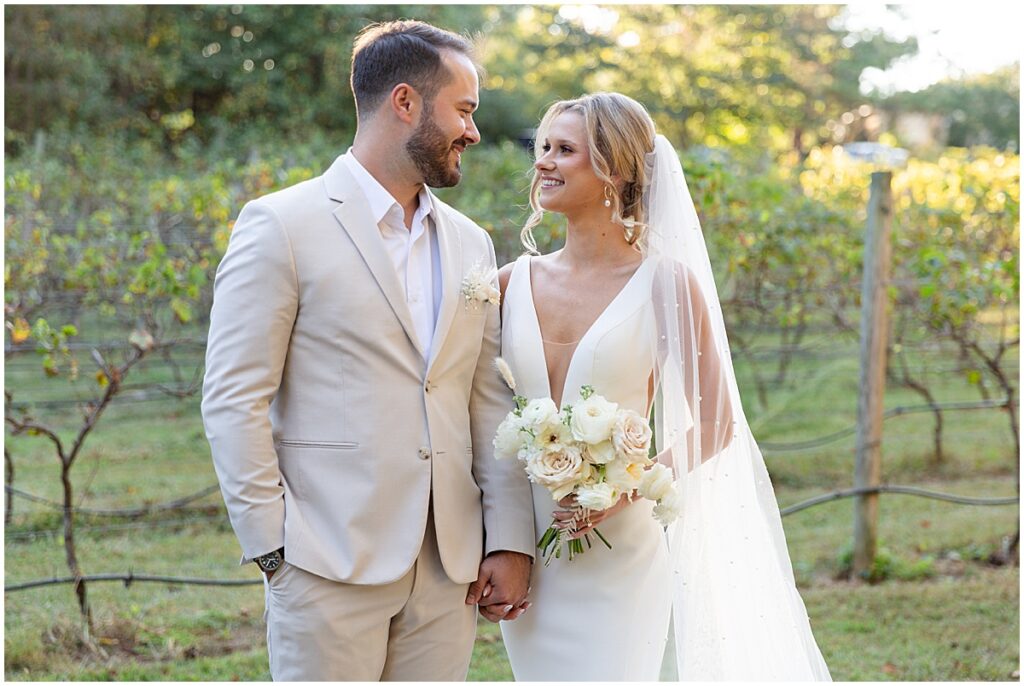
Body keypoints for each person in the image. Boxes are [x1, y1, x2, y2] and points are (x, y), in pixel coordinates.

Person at [201, 20, 535, 681]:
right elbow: (233, 397)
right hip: (326, 562)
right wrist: (273, 549)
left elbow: (486, 401)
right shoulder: (282, 226)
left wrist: (508, 539)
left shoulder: (471, 243)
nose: (473, 131)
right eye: (463, 110)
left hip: (448, 569)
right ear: (405, 102)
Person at [496, 93, 831, 680]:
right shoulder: (507, 282)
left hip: (619, 547)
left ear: (615, 171)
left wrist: (620, 491)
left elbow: (718, 423)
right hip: (525, 545)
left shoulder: (664, 284)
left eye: (564, 150)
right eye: (543, 148)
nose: (544, 162)